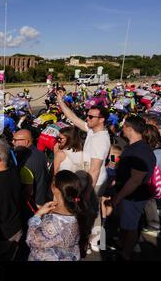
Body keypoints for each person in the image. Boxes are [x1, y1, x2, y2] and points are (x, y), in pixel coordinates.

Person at [56, 90, 111, 252]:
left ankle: (90, 242)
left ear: (102, 120)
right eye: (87, 115)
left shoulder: (101, 139)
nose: (87, 118)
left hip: (94, 182)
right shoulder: (93, 131)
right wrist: (60, 100)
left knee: (89, 213)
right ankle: (93, 239)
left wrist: (86, 192)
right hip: (88, 180)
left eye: (91, 117)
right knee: (90, 212)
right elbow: (73, 118)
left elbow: (94, 169)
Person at [105, 116, 156, 260]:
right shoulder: (134, 147)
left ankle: (125, 254)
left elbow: (135, 180)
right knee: (127, 224)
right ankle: (122, 243)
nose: (122, 129)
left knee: (130, 226)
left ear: (130, 129)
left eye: (124, 126)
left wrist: (117, 198)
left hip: (133, 196)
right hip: (129, 194)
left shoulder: (139, 151)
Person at [26, 170, 92, 261]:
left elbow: (31, 240)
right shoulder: (78, 211)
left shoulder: (54, 223)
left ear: (55, 189)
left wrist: (37, 215)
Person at [12, 129, 52, 207]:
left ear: (26, 141)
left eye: (15, 140)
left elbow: (28, 190)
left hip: (36, 202)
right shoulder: (39, 153)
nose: (13, 142)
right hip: (43, 196)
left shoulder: (26, 159)